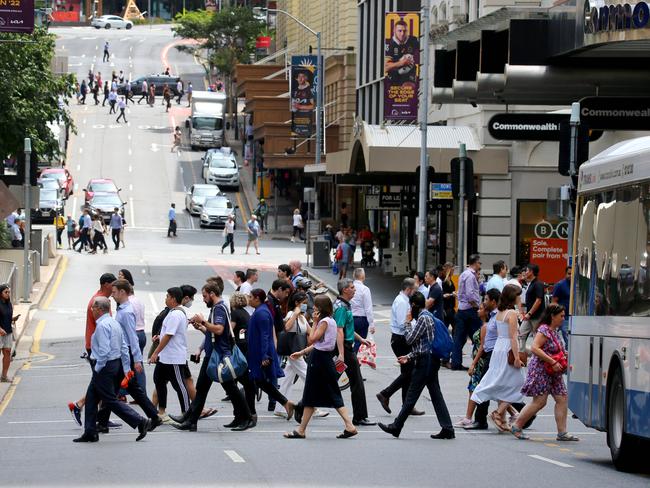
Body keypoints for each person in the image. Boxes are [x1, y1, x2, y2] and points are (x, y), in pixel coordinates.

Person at [173, 282, 254, 432]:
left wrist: (203, 321)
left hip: (219, 356)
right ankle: (191, 420)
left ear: (212, 294)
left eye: (204, 296)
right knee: (202, 389)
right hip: (213, 355)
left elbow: (219, 329)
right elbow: (214, 333)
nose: (203, 299)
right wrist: (202, 327)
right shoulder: (219, 308)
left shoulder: (219, 309)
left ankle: (247, 417)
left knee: (231, 389)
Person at [73, 297, 153, 443]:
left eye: (93, 308)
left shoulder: (103, 326)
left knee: (109, 400)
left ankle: (140, 421)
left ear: (99, 309)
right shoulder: (114, 323)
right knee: (91, 398)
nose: (91, 310)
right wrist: (126, 367)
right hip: (115, 365)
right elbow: (123, 347)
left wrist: (97, 368)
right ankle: (90, 432)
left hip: (105, 366)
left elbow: (103, 352)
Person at [378, 292, 455, 440]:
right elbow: (424, 345)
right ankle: (447, 428)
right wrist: (409, 356)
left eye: (410, 307)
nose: (409, 311)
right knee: (436, 395)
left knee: (411, 396)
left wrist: (407, 323)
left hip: (425, 363)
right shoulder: (428, 316)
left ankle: (396, 426)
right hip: (429, 360)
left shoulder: (423, 319)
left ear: (414, 305)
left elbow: (410, 340)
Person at [284, 295, 357, 439]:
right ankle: (302, 429)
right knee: (315, 394)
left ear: (321, 308)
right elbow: (320, 344)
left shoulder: (323, 322)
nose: (313, 308)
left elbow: (312, 338)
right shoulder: (332, 321)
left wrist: (315, 322)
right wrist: (302, 352)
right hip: (323, 357)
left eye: (316, 306)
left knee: (317, 393)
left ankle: (349, 425)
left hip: (319, 360)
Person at [511, 303, 577, 441]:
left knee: (562, 398)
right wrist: (552, 361)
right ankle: (517, 425)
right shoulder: (544, 330)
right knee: (540, 401)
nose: (563, 319)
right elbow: (535, 348)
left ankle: (562, 432)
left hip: (554, 371)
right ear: (552, 316)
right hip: (542, 370)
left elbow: (556, 350)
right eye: (561, 316)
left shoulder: (554, 332)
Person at [471, 285, 526, 432]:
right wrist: (515, 357)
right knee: (517, 382)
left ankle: (501, 415)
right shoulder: (512, 313)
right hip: (507, 347)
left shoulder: (500, 313)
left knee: (502, 380)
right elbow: (513, 337)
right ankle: (499, 412)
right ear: (512, 297)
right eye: (518, 295)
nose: (520, 298)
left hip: (498, 349)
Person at [109, 279, 159, 426]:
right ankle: (154, 416)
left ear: (122, 292)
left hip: (127, 354)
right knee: (119, 389)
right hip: (124, 353)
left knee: (116, 389)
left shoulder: (126, 312)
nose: (112, 296)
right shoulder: (122, 309)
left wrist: (137, 359)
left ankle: (154, 417)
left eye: (114, 292)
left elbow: (132, 336)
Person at [376, 278, 425, 416]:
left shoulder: (403, 300)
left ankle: (406, 405)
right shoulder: (402, 302)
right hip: (401, 339)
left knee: (407, 373)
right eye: (414, 290)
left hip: (402, 339)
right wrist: (416, 330)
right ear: (409, 289)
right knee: (408, 372)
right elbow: (404, 323)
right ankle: (385, 394)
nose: (415, 293)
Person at [246, 289, 295, 419]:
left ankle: (250, 413)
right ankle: (285, 403)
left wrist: (264, 355)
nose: (248, 299)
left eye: (250, 297)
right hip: (257, 353)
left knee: (253, 381)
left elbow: (265, 336)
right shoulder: (261, 311)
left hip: (259, 354)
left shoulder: (262, 313)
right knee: (259, 382)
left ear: (257, 298)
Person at [333, 279, 374, 426]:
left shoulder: (344, 305)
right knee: (356, 382)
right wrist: (342, 354)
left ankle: (302, 405)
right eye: (352, 288)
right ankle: (359, 416)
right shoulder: (341, 308)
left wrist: (361, 339)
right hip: (344, 348)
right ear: (345, 290)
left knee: (329, 380)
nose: (354, 290)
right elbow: (339, 331)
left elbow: (347, 328)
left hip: (346, 347)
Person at [149, 287, 191, 415]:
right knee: (159, 381)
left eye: (167, 296)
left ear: (173, 298)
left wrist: (155, 352)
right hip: (165, 357)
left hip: (174, 357)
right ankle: (161, 412)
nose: (165, 299)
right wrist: (159, 337)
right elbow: (166, 334)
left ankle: (187, 413)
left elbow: (169, 335)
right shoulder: (173, 313)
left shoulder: (176, 314)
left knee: (179, 385)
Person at [274, 292, 312, 417]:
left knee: (287, 380)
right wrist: (295, 314)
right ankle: (312, 406)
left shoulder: (303, 317)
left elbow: (311, 334)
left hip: (298, 351)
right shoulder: (292, 314)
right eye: (304, 303)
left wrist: (316, 321)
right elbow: (286, 328)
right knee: (308, 377)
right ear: (297, 303)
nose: (306, 306)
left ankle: (279, 408)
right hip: (294, 352)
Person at [452, 254, 483, 370]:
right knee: (478, 337)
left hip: (462, 309)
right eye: (479, 263)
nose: (480, 265)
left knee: (459, 337)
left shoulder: (464, 274)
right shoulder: (470, 276)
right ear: (475, 263)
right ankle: (479, 362)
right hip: (470, 310)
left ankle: (455, 362)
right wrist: (478, 306)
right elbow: (470, 295)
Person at [519, 263, 546, 351]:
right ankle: (522, 353)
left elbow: (538, 300)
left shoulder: (538, 284)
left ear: (531, 272)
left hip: (537, 316)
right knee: (521, 334)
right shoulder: (531, 284)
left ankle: (537, 358)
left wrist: (529, 313)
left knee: (537, 337)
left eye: (527, 270)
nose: (525, 272)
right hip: (530, 316)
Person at [384, 19, 419, 84]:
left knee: (409, 87)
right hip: (394, 76)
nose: (402, 34)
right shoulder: (389, 44)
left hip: (409, 74)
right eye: (399, 31)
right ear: (394, 31)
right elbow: (385, 67)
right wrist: (402, 63)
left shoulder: (413, 40)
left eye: (404, 31)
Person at [350, 267, 375, 353]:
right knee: (360, 342)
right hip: (361, 319)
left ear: (354, 276)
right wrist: (371, 324)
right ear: (363, 277)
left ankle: (350, 360)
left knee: (349, 341)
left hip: (350, 317)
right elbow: (368, 308)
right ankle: (355, 361)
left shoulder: (349, 288)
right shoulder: (365, 289)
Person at [0, 285, 17, 382]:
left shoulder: (9, 304)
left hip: (8, 332)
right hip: (0, 333)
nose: (8, 294)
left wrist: (13, 319)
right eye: (5, 292)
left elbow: (7, 316)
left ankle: (4, 376)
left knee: (7, 352)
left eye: (8, 292)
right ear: (0, 293)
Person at [551, 266, 572, 348]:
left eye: (572, 274)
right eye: (569, 274)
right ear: (565, 274)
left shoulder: (577, 285)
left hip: (575, 316)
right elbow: (554, 301)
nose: (570, 276)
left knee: (571, 338)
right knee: (567, 337)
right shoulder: (560, 285)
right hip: (564, 316)